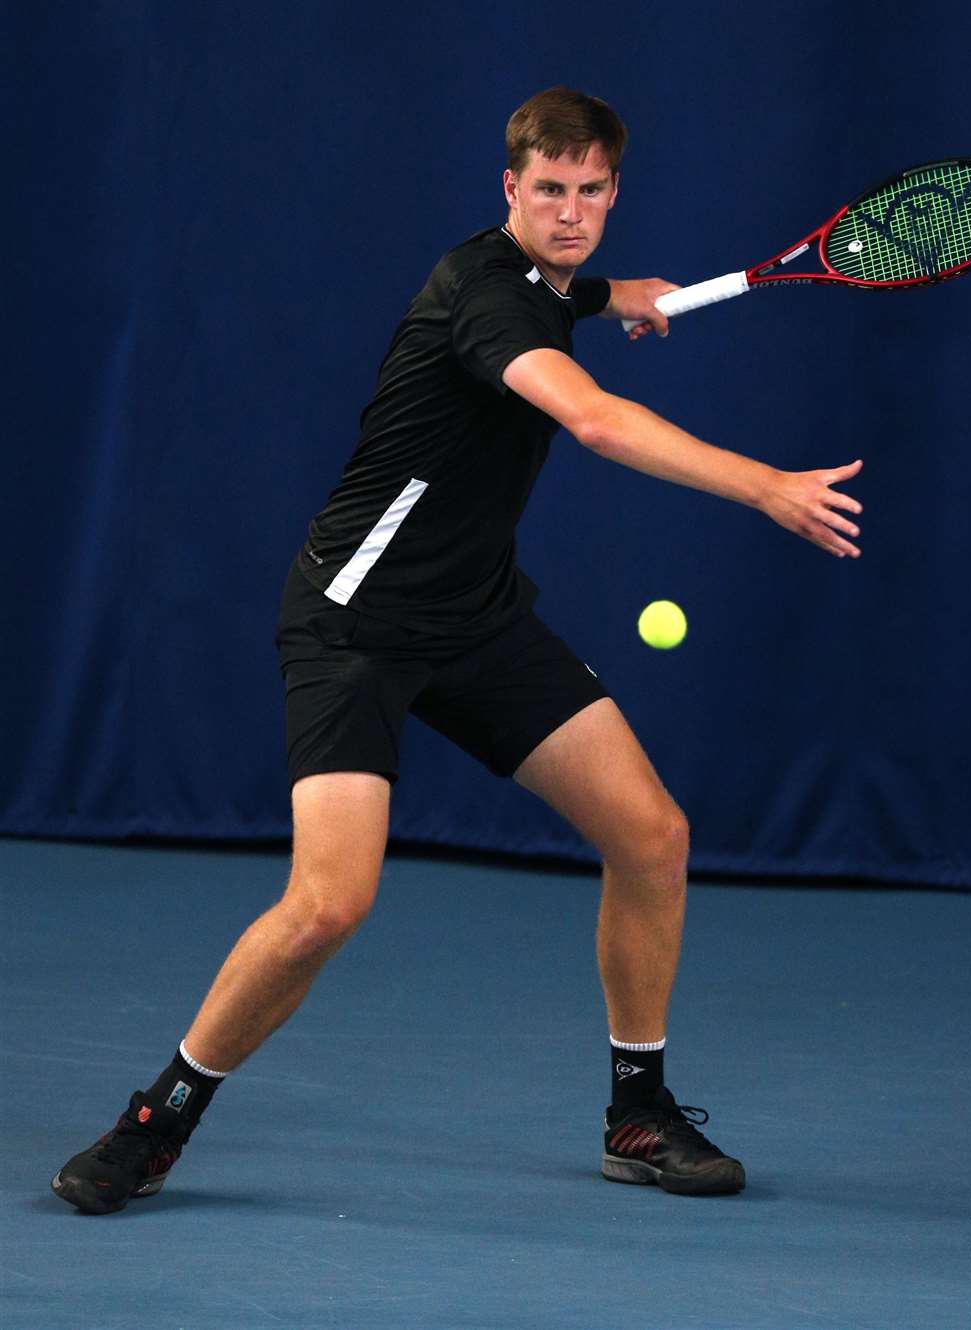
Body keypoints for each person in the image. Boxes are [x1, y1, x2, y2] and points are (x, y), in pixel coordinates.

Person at [52, 86, 863, 1214]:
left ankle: (638, 1109)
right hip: (355, 625)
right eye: (548, 192)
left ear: (613, 190)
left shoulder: (547, 280)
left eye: (591, 192)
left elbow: (564, 292)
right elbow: (590, 419)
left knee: (653, 835)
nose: (571, 213)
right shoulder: (480, 290)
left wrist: (617, 293)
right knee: (330, 902)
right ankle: (159, 1118)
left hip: (475, 616)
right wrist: (764, 485)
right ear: (509, 190)